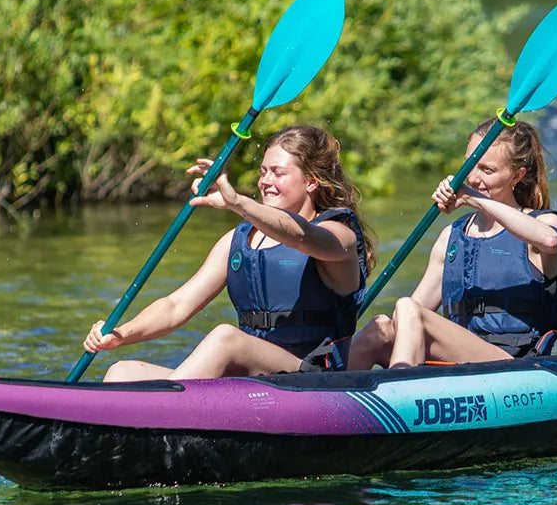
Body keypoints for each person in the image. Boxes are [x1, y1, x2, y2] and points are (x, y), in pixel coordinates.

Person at [83, 124, 374, 381]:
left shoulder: (338, 234)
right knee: (122, 372)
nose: (265, 182)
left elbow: (301, 235)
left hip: (314, 380)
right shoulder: (237, 242)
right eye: (263, 172)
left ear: (311, 182)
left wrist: (236, 202)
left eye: (278, 173)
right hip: (256, 382)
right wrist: (120, 334)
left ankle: (161, 414)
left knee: (226, 338)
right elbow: (176, 306)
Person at [347, 116, 557, 369]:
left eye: (487, 170)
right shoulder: (451, 237)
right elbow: (410, 316)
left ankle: (400, 393)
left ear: (516, 176)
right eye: (471, 165)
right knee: (383, 327)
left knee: (407, 307)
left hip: (515, 365)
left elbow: (550, 240)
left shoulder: (546, 222)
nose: (473, 179)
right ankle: (326, 389)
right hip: (459, 363)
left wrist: (473, 199)